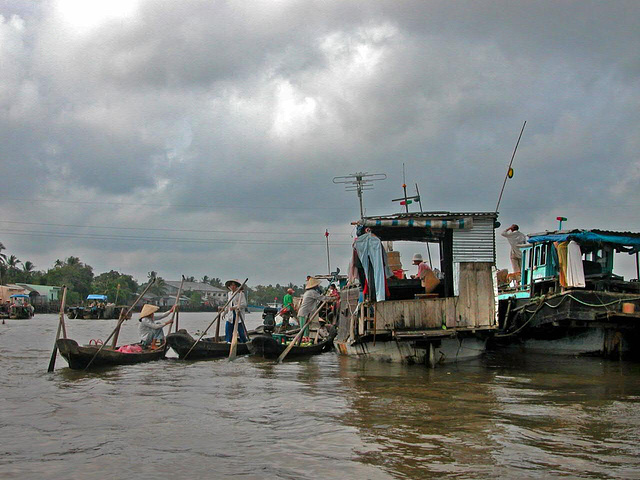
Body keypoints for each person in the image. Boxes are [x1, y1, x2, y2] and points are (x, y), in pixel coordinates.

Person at [224, 279, 248, 343]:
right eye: (231, 285)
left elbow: (244, 304)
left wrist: (234, 307)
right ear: (229, 286)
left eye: (234, 285)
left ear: (236, 286)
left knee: (240, 331)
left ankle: (244, 342)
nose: (233, 287)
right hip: (230, 315)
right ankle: (228, 341)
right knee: (228, 328)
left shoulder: (240, 294)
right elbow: (228, 304)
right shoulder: (229, 294)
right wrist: (225, 312)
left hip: (238, 314)